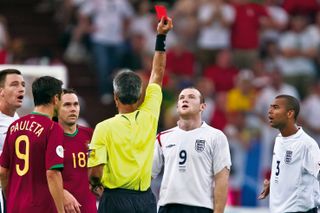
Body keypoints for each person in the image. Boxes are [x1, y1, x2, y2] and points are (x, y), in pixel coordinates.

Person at [87, 17, 173, 213]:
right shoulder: (149, 116)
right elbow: (157, 72)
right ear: (140, 96)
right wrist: (161, 36)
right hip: (144, 200)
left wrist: (94, 183)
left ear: (116, 97)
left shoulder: (103, 128)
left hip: (115, 199)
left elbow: (95, 172)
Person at [152, 87, 232, 213]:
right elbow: (148, 176)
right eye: (181, 98)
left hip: (200, 207)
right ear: (177, 107)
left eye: (191, 97)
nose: (185, 100)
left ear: (202, 107)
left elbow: (222, 179)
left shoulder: (216, 136)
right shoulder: (163, 137)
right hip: (168, 207)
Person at [0, 76, 65, 213]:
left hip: (14, 206)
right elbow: (53, 173)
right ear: (55, 99)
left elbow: (3, 172)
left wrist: (10, 198)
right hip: (40, 207)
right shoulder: (52, 128)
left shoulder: (13, 127)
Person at [258, 95, 320, 213]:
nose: (269, 111)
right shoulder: (279, 139)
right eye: (270, 107)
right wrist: (274, 184)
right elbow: (289, 170)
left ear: (290, 113)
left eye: (275, 107)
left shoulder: (306, 144)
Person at [57, 88, 97, 213]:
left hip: (88, 207)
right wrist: (61, 193)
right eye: (67, 105)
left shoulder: (90, 135)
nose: (73, 108)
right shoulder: (50, 137)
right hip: (61, 207)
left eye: (76, 104)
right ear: (56, 108)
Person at [0, 68, 25, 213]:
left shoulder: (19, 122)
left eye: (23, 84)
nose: (21, 89)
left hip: (13, 194)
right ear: (1, 91)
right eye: (14, 84)